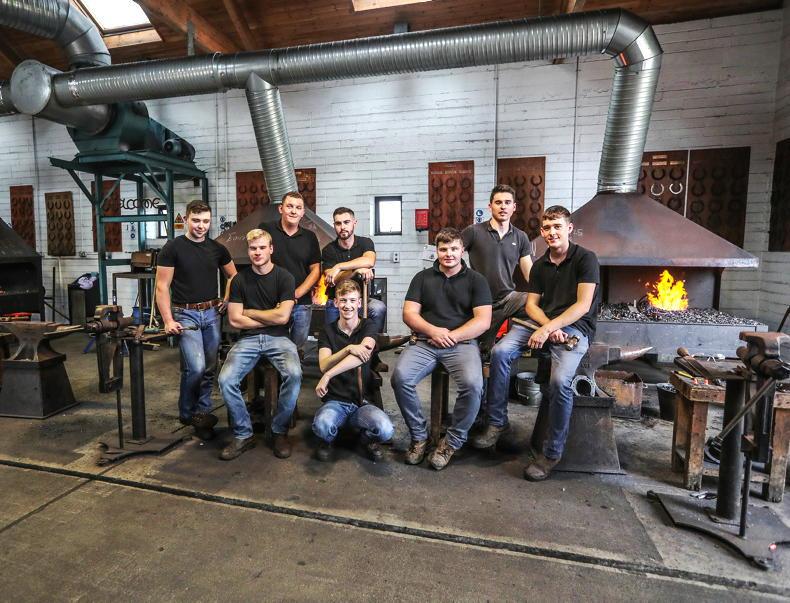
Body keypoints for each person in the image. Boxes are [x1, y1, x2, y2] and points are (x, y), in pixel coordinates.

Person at [481, 206, 600, 481]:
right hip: (542, 322)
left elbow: (583, 306)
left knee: (559, 382)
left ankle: (551, 453)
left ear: (569, 228)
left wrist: (549, 329)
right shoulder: (540, 265)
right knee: (500, 351)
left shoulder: (586, 259)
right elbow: (532, 305)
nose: (551, 232)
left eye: (557, 226)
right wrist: (547, 326)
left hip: (575, 327)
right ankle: (497, 423)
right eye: (546, 228)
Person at [391, 228, 492, 471]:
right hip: (425, 342)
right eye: (443, 249)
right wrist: (434, 331)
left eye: (454, 249)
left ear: (462, 250)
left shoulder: (477, 280)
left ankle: (451, 442)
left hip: (462, 344)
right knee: (400, 378)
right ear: (436, 251)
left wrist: (451, 336)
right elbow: (409, 314)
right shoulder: (422, 278)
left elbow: (483, 321)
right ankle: (419, 437)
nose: (449, 254)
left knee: (473, 385)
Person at [217, 229, 302, 461]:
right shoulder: (239, 280)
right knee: (225, 380)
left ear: (271, 249)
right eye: (253, 248)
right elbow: (235, 320)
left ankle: (279, 431)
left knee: (294, 374)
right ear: (248, 251)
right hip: (248, 340)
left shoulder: (285, 278)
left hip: (279, 338)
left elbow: (282, 318)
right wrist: (270, 315)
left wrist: (250, 312)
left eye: (262, 247)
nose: (257, 252)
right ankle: (243, 434)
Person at [156, 199, 237, 440]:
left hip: (212, 314)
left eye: (205, 221)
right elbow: (162, 287)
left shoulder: (217, 249)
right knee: (196, 367)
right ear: (186, 219)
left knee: (210, 369)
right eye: (196, 221)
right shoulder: (173, 248)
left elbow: (234, 276)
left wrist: (227, 298)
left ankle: (202, 414)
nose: (201, 226)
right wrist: (168, 320)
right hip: (185, 315)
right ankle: (187, 412)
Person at [312, 280, 395, 462]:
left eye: (352, 300)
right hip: (336, 401)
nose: (347, 305)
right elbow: (323, 364)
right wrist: (348, 349)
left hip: (362, 402)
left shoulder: (368, 326)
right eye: (343, 300)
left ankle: (365, 440)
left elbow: (362, 355)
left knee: (385, 430)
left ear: (359, 303)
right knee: (322, 425)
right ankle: (329, 439)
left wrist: (328, 375)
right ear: (336, 303)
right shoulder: (327, 331)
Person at [461, 183, 532, 357]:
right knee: (481, 352)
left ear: (514, 207)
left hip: (508, 299)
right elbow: (453, 255)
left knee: (536, 301)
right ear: (490, 206)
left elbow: (530, 273)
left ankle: (514, 343)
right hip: (480, 302)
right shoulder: (473, 232)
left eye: (507, 202)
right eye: (498, 202)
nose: (503, 206)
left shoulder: (520, 237)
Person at [260, 191, 321, 354]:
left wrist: (295, 294)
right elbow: (259, 261)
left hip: (301, 304)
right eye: (289, 206)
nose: (294, 211)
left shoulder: (310, 237)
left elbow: (315, 270)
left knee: (296, 350)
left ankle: (295, 371)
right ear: (281, 208)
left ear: (303, 212)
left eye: (298, 208)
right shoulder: (266, 230)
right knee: (272, 348)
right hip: (273, 302)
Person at [321, 207, 387, 335]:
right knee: (332, 336)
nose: (342, 227)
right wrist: (357, 270)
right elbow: (333, 278)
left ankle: (372, 342)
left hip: (361, 300)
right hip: (337, 301)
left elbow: (369, 261)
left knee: (378, 307)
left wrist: (339, 267)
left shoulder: (365, 243)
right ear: (334, 225)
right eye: (338, 223)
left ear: (354, 223)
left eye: (346, 222)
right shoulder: (328, 250)